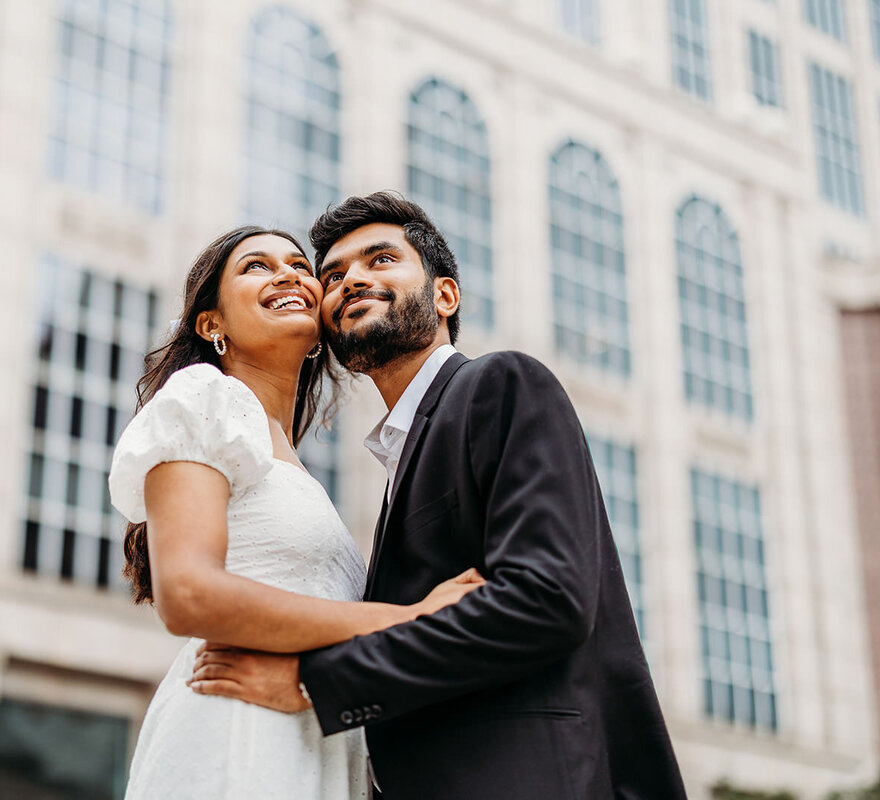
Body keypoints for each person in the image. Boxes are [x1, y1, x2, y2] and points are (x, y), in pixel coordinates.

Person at [189, 193, 689, 799]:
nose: (352, 281)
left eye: (380, 260)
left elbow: (547, 598)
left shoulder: (501, 384)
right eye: (335, 275)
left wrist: (314, 683)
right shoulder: (399, 458)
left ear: (445, 296)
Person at [107, 225, 484, 799]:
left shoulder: (297, 466)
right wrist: (407, 619)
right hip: (236, 735)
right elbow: (190, 595)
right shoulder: (205, 397)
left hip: (317, 745)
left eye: (300, 266)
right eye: (255, 266)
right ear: (212, 324)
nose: (289, 275)